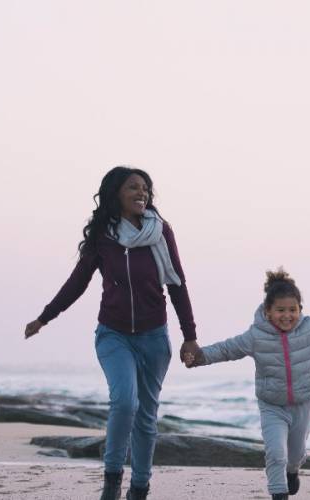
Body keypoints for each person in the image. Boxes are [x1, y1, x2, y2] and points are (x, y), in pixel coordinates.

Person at [24, 166, 200, 500]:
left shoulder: (161, 232)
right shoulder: (102, 236)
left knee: (147, 416)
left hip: (154, 338)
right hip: (114, 335)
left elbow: (177, 283)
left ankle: (140, 487)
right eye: (133, 187)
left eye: (145, 189)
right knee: (123, 402)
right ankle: (112, 480)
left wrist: (189, 335)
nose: (141, 193)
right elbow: (78, 281)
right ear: (116, 193)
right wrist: (45, 317)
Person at [185, 269, 310, 500]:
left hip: (302, 405)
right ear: (268, 311)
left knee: (296, 455)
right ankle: (278, 494)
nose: (287, 315)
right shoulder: (255, 336)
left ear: (300, 310)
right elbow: (226, 349)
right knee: (275, 454)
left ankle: (292, 472)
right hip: (272, 406)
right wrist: (199, 357)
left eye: (293, 310)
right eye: (280, 310)